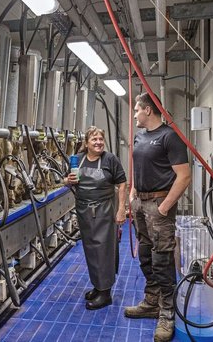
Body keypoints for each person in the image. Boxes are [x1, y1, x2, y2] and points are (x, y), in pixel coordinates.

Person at [124, 93, 191, 342]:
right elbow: (137, 166)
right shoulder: (140, 136)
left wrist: (164, 207)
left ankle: (167, 311)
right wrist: (132, 194)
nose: (134, 115)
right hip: (140, 203)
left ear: (148, 110)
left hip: (158, 204)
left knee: (162, 259)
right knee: (145, 255)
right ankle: (152, 301)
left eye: (136, 110)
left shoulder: (170, 137)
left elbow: (184, 176)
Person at [65, 126, 127, 310]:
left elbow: (122, 184)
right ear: (86, 143)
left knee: (104, 250)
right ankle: (98, 286)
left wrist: (121, 209)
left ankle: (105, 293)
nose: (99, 142)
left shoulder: (110, 160)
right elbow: (67, 181)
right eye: (94, 139)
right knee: (91, 249)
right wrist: (67, 181)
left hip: (105, 210)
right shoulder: (78, 159)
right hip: (84, 211)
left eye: (101, 139)